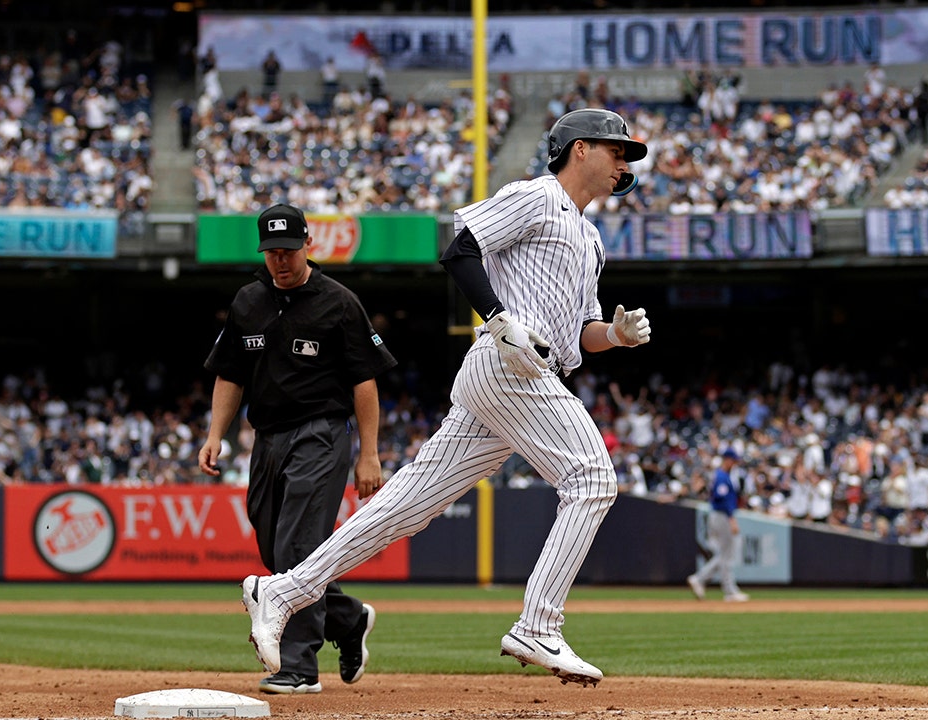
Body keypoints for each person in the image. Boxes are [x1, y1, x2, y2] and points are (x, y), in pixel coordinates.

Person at [238, 108, 652, 688]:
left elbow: (582, 331)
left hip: (523, 373)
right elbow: (460, 250)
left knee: (407, 507)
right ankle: (539, 623)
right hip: (507, 367)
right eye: (617, 151)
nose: (623, 164)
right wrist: (502, 318)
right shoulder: (535, 196)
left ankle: (282, 590)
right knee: (591, 478)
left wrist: (616, 335)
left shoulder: (589, 237)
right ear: (579, 149)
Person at [198, 202, 397, 695]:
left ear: (308, 244)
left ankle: (299, 665)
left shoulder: (339, 302)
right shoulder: (248, 301)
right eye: (272, 252)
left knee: (297, 547)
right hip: (266, 438)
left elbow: (364, 382)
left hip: (321, 434)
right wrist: (214, 434)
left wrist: (368, 454)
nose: (280, 261)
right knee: (274, 549)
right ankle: (347, 619)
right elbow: (230, 374)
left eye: (289, 250)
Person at [687, 450, 749, 602]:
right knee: (727, 555)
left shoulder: (721, 475)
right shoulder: (722, 476)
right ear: (727, 459)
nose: (734, 463)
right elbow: (723, 501)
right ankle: (729, 591)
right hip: (722, 516)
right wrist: (732, 519)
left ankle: (699, 579)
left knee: (723, 554)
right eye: (733, 460)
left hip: (718, 516)